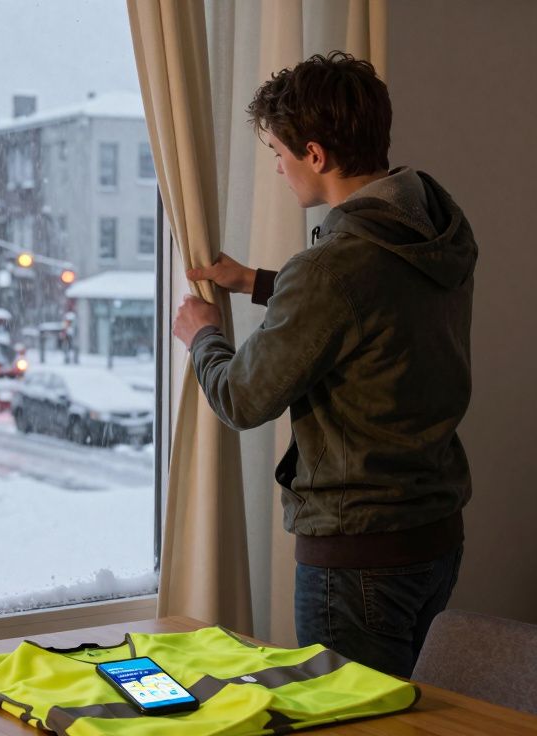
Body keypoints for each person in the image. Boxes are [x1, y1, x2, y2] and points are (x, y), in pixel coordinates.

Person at [172, 51, 477, 678]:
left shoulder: (334, 268)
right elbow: (372, 305)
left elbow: (242, 399)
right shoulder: (437, 226)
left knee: (351, 725)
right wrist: (258, 281)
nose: (280, 170)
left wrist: (203, 336)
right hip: (435, 535)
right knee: (403, 721)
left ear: (315, 154)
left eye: (281, 154)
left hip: (357, 556)